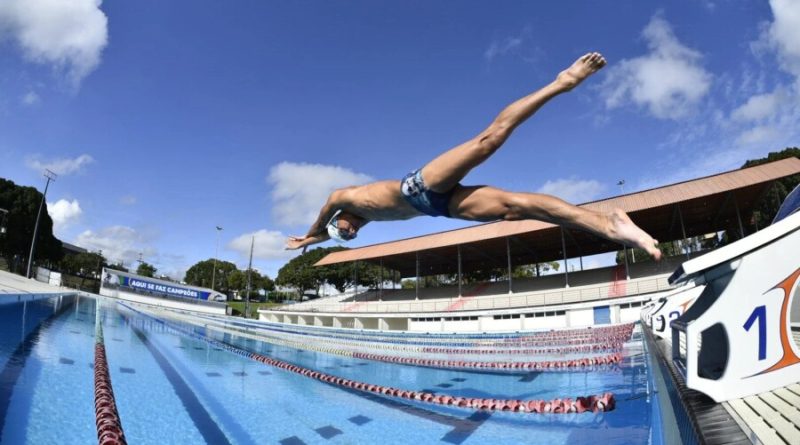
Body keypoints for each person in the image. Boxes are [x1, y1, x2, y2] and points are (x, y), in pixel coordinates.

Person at [286, 52, 662, 260]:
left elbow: (323, 214)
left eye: (343, 229)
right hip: (441, 208)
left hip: (418, 186)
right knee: (517, 208)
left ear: (340, 219)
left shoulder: (345, 198)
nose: (349, 233)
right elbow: (333, 233)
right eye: (346, 236)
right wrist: (317, 243)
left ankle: (561, 83)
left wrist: (311, 234)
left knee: (489, 140)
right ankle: (609, 225)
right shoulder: (368, 219)